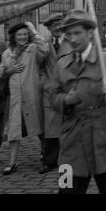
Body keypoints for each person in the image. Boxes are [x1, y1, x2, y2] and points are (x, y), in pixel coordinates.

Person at [49, 9, 106, 194]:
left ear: (89, 33)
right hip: (72, 143)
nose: (72, 38)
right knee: (66, 190)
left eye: (77, 33)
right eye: (69, 34)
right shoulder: (62, 65)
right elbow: (52, 97)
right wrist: (66, 99)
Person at [0, 22, 49, 175]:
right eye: (19, 35)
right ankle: (12, 161)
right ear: (14, 37)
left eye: (25, 34)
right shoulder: (7, 53)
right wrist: (9, 71)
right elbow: (0, 73)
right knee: (14, 128)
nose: (22, 37)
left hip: (31, 94)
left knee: (39, 127)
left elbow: (44, 50)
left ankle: (45, 156)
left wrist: (34, 31)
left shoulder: (33, 49)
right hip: (15, 97)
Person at [39, 13, 68, 174]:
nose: (56, 28)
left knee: (69, 126)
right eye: (53, 25)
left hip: (68, 91)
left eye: (59, 24)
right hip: (50, 92)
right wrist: (44, 82)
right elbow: (41, 67)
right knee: (50, 128)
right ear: (49, 29)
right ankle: (49, 161)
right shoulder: (45, 45)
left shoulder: (72, 43)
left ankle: (68, 158)